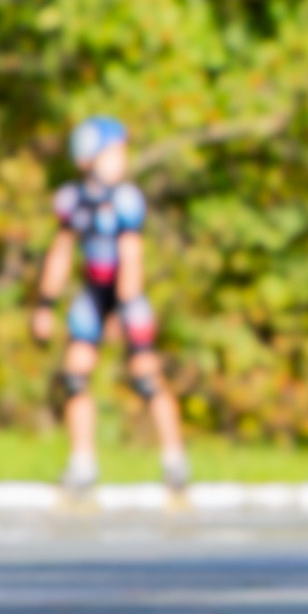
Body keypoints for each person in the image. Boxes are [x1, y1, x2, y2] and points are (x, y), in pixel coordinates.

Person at [31, 118, 190, 495]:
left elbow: (131, 257)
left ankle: (174, 458)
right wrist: (45, 304)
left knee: (145, 375)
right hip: (92, 293)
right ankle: (82, 461)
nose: (121, 160)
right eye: (113, 152)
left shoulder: (126, 199)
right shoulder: (72, 200)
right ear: (88, 158)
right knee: (75, 375)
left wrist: (124, 306)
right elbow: (61, 252)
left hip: (126, 296)